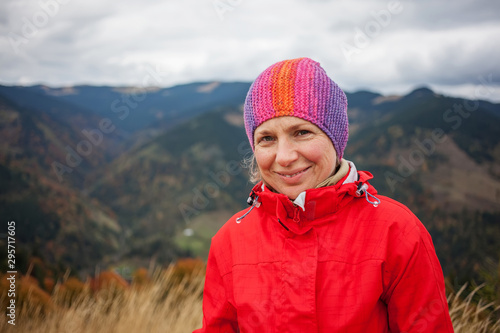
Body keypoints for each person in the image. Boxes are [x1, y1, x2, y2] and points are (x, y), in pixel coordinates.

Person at [194, 57, 454, 332]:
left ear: (336, 139)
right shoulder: (229, 241)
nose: (284, 157)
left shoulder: (397, 232)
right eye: (267, 138)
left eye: (302, 132)